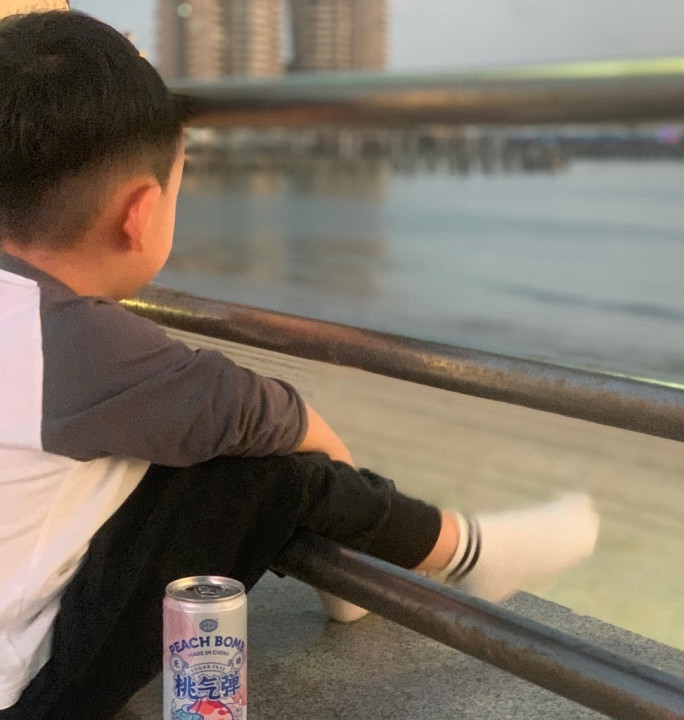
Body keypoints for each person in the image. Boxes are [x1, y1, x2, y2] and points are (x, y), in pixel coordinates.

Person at [0, 10, 600, 720]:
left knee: (169, 440)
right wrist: (335, 489)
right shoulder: (75, 344)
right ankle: (468, 554)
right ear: (140, 213)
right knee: (264, 472)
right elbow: (276, 417)